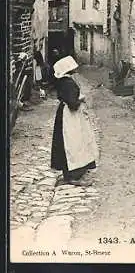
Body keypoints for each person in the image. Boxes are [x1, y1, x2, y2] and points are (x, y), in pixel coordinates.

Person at [50, 56, 98, 186]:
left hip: (65, 113)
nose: (75, 69)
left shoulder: (63, 81)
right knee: (73, 142)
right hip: (69, 117)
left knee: (70, 142)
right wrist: (81, 99)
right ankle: (72, 174)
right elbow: (73, 104)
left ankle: (71, 172)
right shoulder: (68, 83)